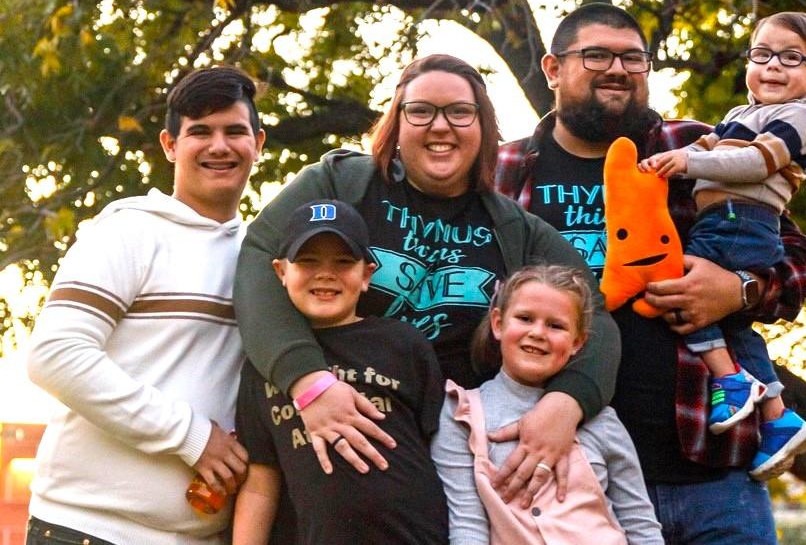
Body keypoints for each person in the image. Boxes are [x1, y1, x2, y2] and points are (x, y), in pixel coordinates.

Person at [495, 3, 806, 543]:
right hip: (573, 476)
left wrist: (736, 290)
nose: (617, 69)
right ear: (553, 69)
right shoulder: (504, 169)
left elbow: (801, 261)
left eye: (633, 58)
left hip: (714, 473)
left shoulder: (696, 148)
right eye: (595, 55)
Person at [234, 54, 621, 508]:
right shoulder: (343, 184)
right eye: (421, 111)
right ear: (396, 122)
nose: (441, 126)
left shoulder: (516, 228)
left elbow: (596, 320)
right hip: (323, 447)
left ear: (484, 127)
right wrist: (308, 381)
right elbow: (260, 258)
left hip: (452, 468)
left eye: (460, 112)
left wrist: (565, 406)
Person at [25, 66, 264, 544]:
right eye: (200, 132)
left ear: (258, 143)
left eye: (235, 131)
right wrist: (192, 437)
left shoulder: (263, 256)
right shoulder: (129, 230)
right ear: (170, 145)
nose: (220, 145)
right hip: (86, 529)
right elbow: (54, 355)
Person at [638, 11, 806, 479]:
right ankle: (778, 415)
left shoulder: (797, 117)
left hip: (743, 221)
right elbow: (708, 147)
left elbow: (754, 164)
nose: (773, 67)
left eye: (790, 58)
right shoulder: (740, 115)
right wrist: (666, 160)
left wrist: (687, 162)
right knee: (735, 329)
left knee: (677, 286)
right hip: (720, 221)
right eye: (762, 55)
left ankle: (730, 380)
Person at [232, 199, 448, 544]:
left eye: (344, 261)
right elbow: (261, 483)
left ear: (366, 275)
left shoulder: (404, 344)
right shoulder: (264, 364)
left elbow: (441, 451)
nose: (325, 273)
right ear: (280, 272)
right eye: (307, 260)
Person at [432, 265, 663, 545]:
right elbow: (467, 526)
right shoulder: (462, 413)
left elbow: (641, 523)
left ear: (578, 342)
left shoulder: (602, 420)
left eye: (556, 326)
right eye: (525, 318)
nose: (538, 333)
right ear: (498, 323)